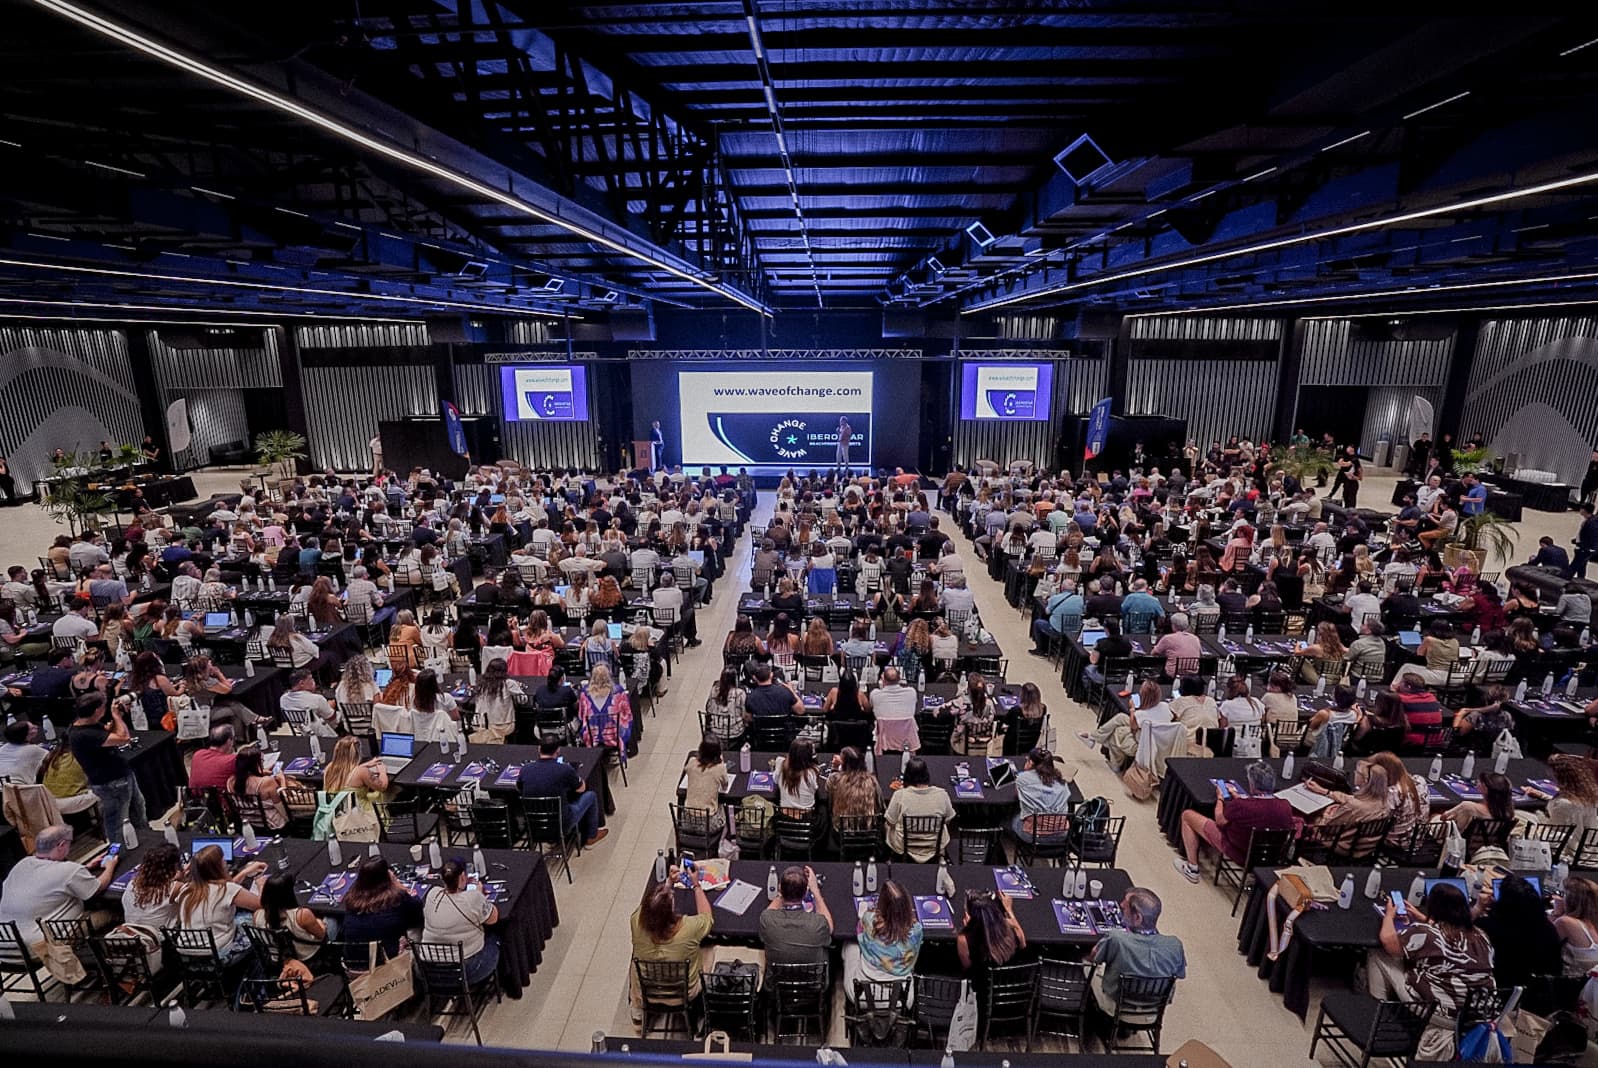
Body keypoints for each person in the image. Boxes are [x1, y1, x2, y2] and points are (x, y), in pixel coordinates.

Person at [1371, 881, 1494, 1023]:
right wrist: (1423, 918)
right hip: (1478, 1013)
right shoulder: (1481, 935)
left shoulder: (1425, 933)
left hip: (1441, 1013)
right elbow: (1445, 933)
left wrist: (1389, 916)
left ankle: (1376, 1008)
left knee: (1378, 954)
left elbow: (1389, 943)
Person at [1173, 760, 1293, 883]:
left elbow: (1219, 820)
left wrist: (1220, 798)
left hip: (1238, 851)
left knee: (1187, 815)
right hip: (1269, 857)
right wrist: (1236, 796)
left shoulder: (1242, 806)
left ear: (1252, 784)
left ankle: (1192, 868)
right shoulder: (1285, 806)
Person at [0, 824, 119, 947]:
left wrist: (84, 868)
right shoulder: (68, 870)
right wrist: (110, 866)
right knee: (112, 912)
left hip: (7, 945)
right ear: (61, 845)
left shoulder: (22, 864)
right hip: (42, 947)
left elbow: (45, 878)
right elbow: (97, 888)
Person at [67, 693, 151, 846]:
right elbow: (124, 738)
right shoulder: (85, 734)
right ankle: (118, 852)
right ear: (97, 710)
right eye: (104, 707)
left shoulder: (84, 725)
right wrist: (117, 716)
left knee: (138, 807)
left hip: (121, 774)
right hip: (111, 782)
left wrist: (115, 717)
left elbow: (106, 734)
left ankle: (147, 839)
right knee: (118, 821)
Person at [174, 844, 266, 962]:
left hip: (187, 952)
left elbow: (224, 890)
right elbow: (262, 903)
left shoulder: (186, 890)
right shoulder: (227, 890)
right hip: (218, 952)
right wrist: (260, 883)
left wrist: (244, 873)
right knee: (253, 917)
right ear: (218, 867)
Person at [631, 872, 712, 1004]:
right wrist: (696, 885)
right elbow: (707, 917)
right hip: (683, 993)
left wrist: (669, 882)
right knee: (709, 947)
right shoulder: (689, 928)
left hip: (648, 991)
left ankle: (636, 1007)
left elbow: (650, 909)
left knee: (634, 962)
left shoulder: (635, 921)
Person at [1473, 872, 1562, 990]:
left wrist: (1478, 908)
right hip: (1541, 992)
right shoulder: (1548, 928)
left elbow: (1460, 928)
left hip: (1502, 991)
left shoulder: (1489, 927)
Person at [421, 857, 500, 983]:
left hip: (428, 970)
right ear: (463, 877)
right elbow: (493, 919)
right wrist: (480, 895)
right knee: (495, 938)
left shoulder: (432, 894)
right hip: (465, 970)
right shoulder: (472, 898)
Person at [518, 736, 606, 845]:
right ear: (558, 751)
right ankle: (591, 836)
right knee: (591, 795)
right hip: (562, 823)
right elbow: (581, 789)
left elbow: (519, 788)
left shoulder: (525, 769)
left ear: (539, 749)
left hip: (534, 824)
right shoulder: (565, 769)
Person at [843, 879, 921, 1002]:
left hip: (863, 996)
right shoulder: (917, 930)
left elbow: (860, 931)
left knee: (850, 944)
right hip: (902, 999)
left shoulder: (869, 920)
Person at [340, 857, 425, 968]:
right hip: (387, 967)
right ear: (387, 877)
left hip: (353, 966)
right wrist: (399, 885)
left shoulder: (351, 898)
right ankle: (418, 972)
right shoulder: (397, 899)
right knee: (416, 929)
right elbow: (417, 909)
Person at [760, 865, 834, 967]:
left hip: (777, 978)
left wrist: (781, 891)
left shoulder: (767, 919)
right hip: (812, 978)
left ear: (780, 889)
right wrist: (815, 890)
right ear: (805, 894)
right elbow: (830, 928)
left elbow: (770, 910)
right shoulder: (818, 924)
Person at [883, 755, 954, 860]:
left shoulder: (900, 795)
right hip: (934, 844)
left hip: (904, 845)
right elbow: (948, 820)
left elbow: (890, 822)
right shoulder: (942, 794)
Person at [253, 872, 331, 963]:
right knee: (332, 919)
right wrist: (319, 921)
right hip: (309, 959)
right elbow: (321, 935)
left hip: (277, 960)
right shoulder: (301, 915)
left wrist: (261, 886)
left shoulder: (257, 915)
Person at [1012, 747, 1074, 846]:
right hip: (1061, 834)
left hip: (1033, 835)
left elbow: (1017, 794)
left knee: (1011, 818)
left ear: (1031, 762)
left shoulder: (1022, 779)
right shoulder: (1062, 781)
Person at [957, 890, 1026, 973]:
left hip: (983, 983)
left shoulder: (963, 939)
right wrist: (1009, 910)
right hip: (1013, 978)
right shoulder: (1010, 926)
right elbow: (1023, 945)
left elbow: (967, 967)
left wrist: (969, 928)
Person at [681, 733, 731, 831]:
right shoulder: (720, 768)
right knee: (725, 808)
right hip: (709, 824)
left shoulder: (691, 761)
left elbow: (687, 769)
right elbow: (725, 786)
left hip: (687, 822)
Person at [826, 746, 881, 830]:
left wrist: (835, 768)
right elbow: (880, 804)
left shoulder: (835, 779)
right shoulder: (872, 780)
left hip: (841, 829)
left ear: (844, 764)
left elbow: (830, 800)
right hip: (867, 829)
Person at [1552, 876, 1598, 977]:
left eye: (1562, 894)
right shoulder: (1592, 920)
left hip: (1576, 984)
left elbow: (1542, 945)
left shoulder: (1565, 922)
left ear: (1570, 899)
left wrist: (1556, 913)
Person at [774, 737, 824, 815]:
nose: (814, 752)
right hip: (806, 815)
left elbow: (775, 780)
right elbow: (815, 788)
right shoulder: (813, 771)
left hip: (784, 813)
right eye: (813, 751)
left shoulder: (780, 762)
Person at [0, 718, 48, 783]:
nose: (36, 727)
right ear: (26, 735)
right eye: (32, 728)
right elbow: (52, 757)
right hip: (18, 789)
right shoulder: (34, 750)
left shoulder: (3, 748)